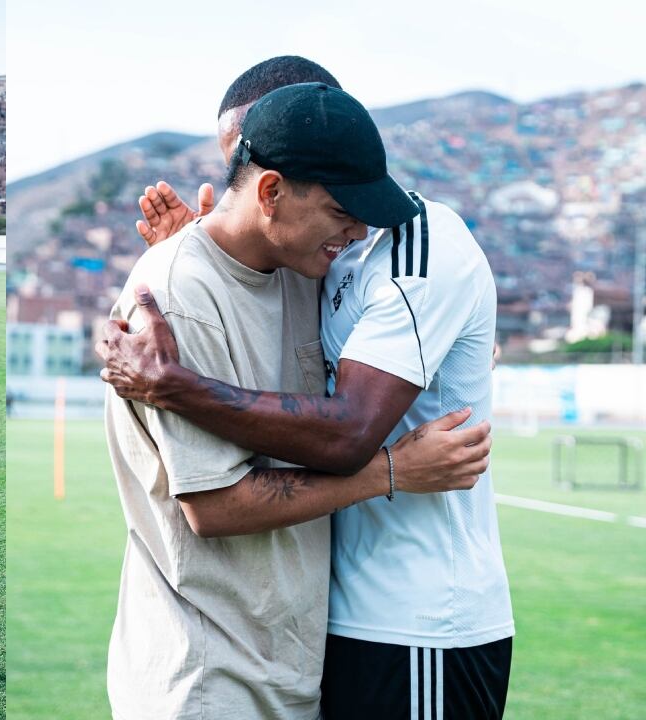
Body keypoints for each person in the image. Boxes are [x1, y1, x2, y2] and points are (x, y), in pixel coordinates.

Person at [103, 58, 513, 719]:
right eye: (233, 153)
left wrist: (178, 384)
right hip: (216, 679)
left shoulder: (337, 258)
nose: (354, 228)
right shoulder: (202, 284)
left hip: (377, 637)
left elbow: (352, 419)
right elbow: (213, 507)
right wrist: (198, 263)